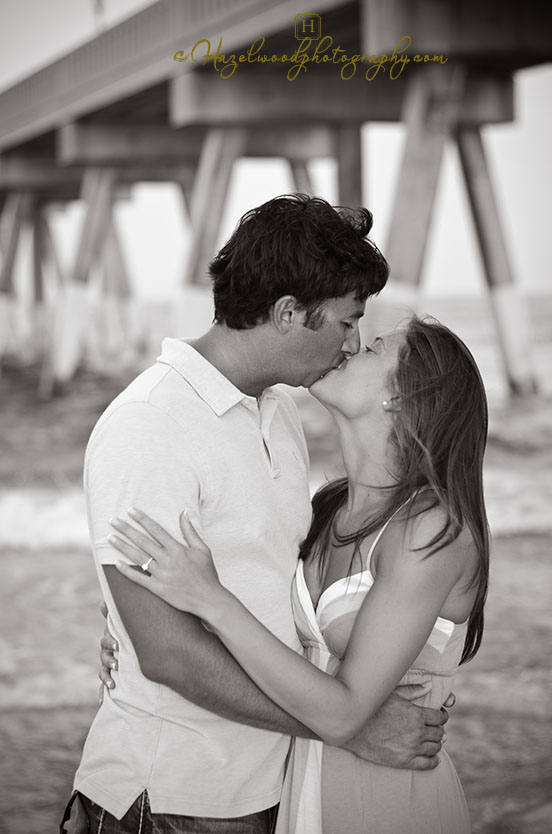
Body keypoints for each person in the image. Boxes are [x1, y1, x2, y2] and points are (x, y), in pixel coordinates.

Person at [61, 195, 449, 834]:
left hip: (270, 789)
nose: (352, 343)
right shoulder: (151, 423)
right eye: (347, 322)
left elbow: (266, 581)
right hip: (169, 799)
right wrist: (348, 729)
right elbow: (166, 653)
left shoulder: (278, 412)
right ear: (290, 313)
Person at [106, 314, 490, 834]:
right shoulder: (327, 507)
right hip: (299, 790)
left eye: (374, 348)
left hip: (387, 798)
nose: (352, 346)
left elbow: (343, 713)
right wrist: (133, 628)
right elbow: (261, 603)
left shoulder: (430, 530)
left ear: (402, 398)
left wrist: (211, 601)